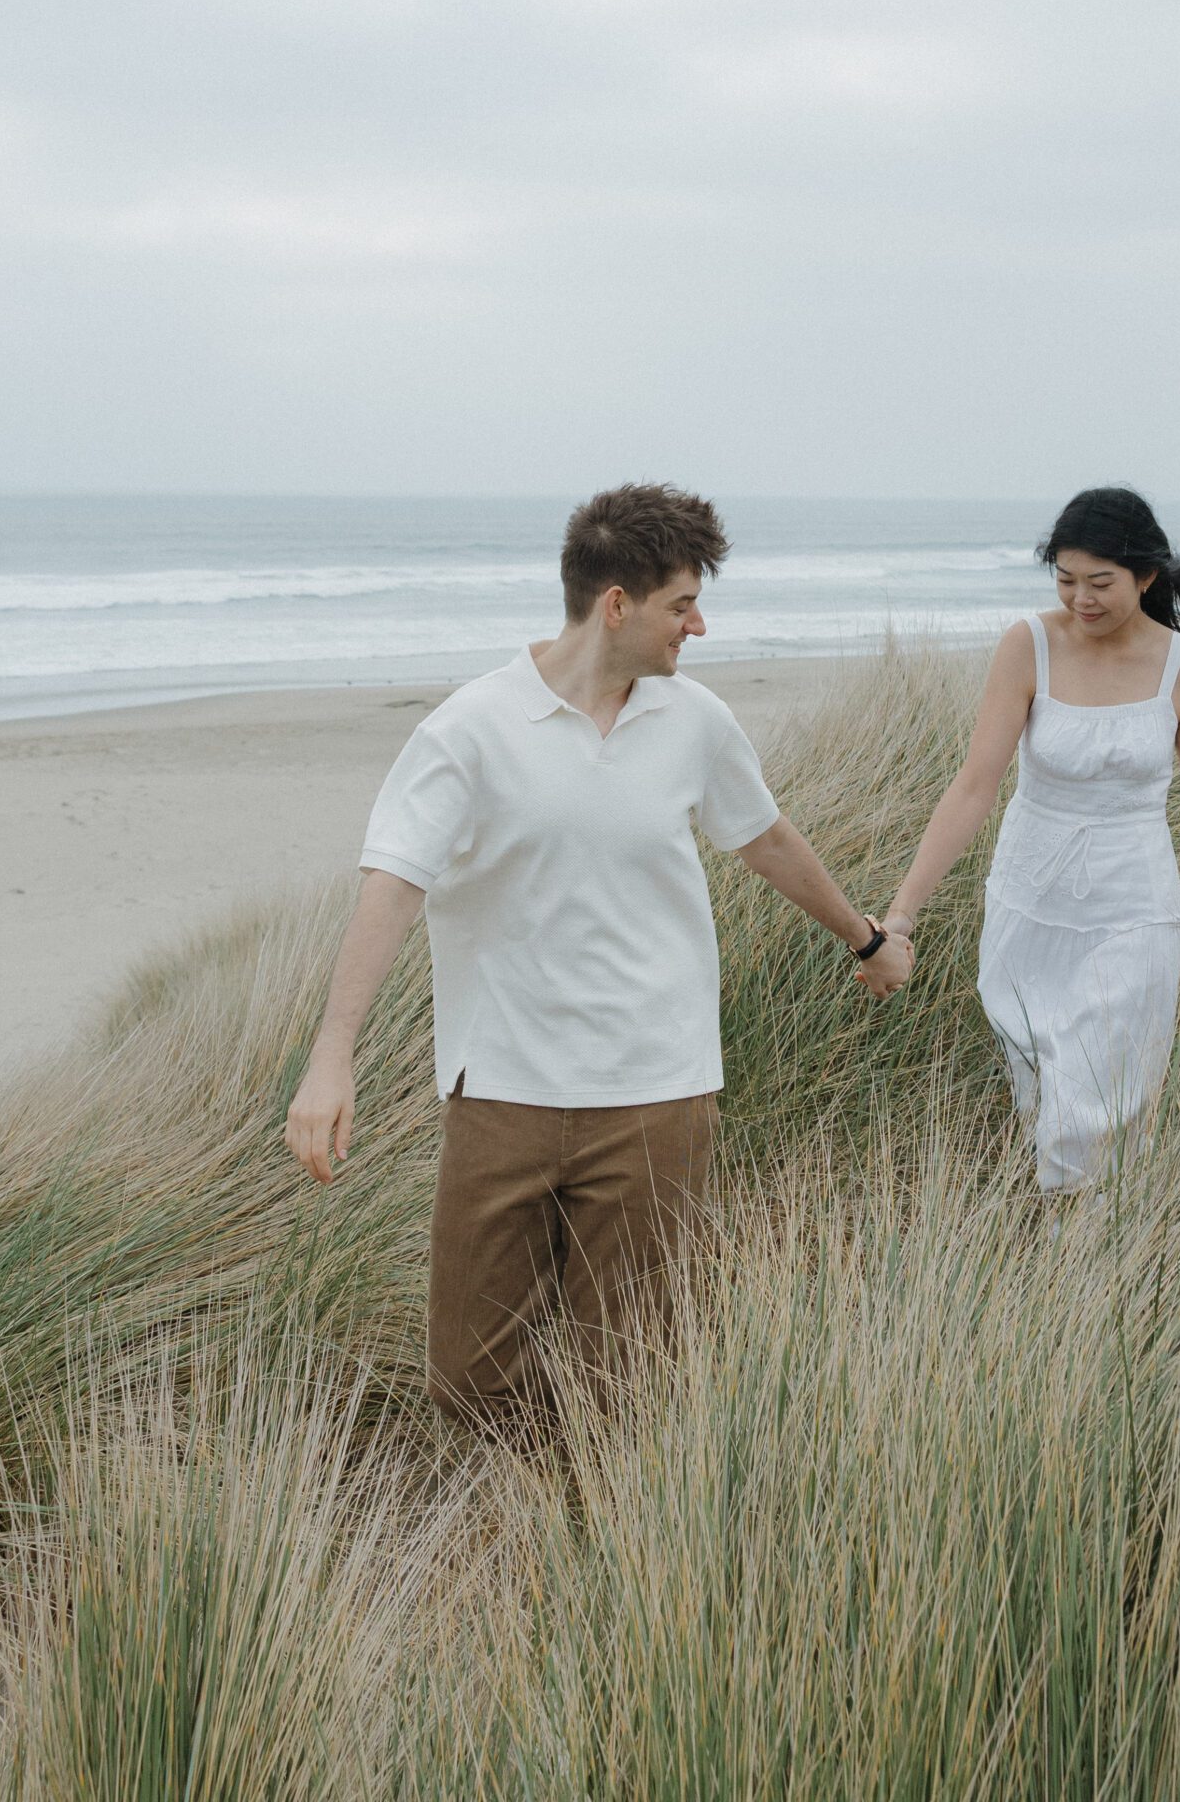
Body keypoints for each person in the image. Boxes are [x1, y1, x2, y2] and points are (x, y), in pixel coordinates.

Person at [284, 482, 913, 1422]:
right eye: (682, 605)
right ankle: (535, 1488)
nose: (698, 626)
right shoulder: (468, 728)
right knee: (470, 1377)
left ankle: (589, 1510)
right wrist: (331, 1056)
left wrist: (864, 937)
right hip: (505, 1090)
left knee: (627, 1374)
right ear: (616, 604)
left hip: (657, 1091)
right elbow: (394, 884)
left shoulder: (695, 719)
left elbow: (766, 839)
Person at [881, 486, 1180, 1197]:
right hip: (1031, 897)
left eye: (1100, 582)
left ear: (1145, 576)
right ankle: (1084, 1228)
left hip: (1132, 904)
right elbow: (974, 786)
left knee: (1098, 1089)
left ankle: (1078, 1236)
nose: (1081, 598)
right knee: (1040, 1080)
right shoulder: (1029, 646)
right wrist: (902, 914)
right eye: (1066, 578)